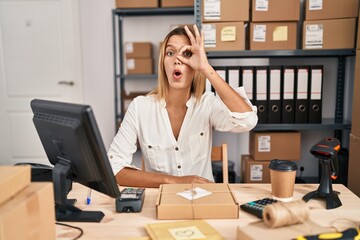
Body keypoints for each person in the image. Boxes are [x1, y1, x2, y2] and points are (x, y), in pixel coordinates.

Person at [108, 25, 257, 188]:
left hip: (203, 199)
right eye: (170, 53)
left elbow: (247, 121)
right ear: (163, 63)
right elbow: (114, 168)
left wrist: (206, 69)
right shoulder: (140, 107)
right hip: (161, 202)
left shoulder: (206, 104)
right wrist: (172, 181)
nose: (177, 60)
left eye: (187, 54)